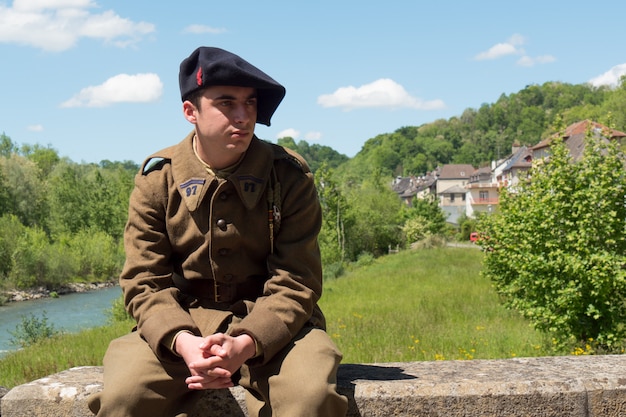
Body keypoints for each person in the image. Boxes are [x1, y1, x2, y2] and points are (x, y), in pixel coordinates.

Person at [88, 46, 348, 417]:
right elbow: (144, 281)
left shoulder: (288, 178)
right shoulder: (157, 182)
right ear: (190, 112)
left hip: (278, 328)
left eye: (251, 104)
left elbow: (297, 278)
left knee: (311, 398)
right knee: (124, 399)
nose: (243, 117)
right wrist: (183, 342)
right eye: (226, 104)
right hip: (181, 323)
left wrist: (247, 341)